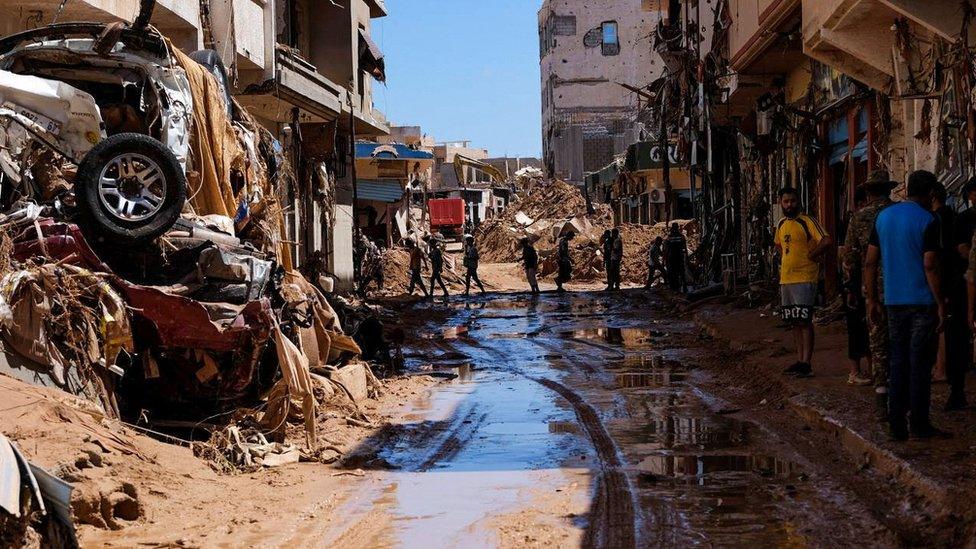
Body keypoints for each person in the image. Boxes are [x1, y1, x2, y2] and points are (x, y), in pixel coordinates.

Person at [865, 170, 947, 441]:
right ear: (930, 193)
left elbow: (870, 261)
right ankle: (920, 424)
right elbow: (930, 265)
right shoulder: (928, 220)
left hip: (893, 301)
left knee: (897, 361)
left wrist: (872, 299)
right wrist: (940, 303)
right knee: (919, 364)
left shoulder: (884, 217)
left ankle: (896, 423)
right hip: (922, 302)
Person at [842, 170, 896, 413]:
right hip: (901, 283)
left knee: (878, 340)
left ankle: (882, 393)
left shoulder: (860, 218)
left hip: (872, 286)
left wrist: (852, 288)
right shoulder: (897, 214)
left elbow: (851, 258)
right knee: (901, 337)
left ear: (869, 192)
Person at [774, 187, 832, 378]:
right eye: (786, 201)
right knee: (794, 322)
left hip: (805, 278)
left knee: (805, 321)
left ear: (798, 202)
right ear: (781, 203)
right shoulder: (781, 223)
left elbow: (826, 240)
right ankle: (799, 360)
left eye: (792, 201)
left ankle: (807, 363)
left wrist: (812, 255)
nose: (789, 204)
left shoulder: (807, 221)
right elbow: (779, 245)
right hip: (787, 280)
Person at [931, 181, 969, 410]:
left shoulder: (937, 220)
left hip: (947, 284)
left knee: (947, 330)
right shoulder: (955, 217)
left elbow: (938, 257)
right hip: (957, 282)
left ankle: (944, 372)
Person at [841, 187, 873, 387]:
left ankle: (868, 370)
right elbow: (849, 258)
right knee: (860, 329)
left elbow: (848, 257)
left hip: (861, 283)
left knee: (865, 329)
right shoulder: (859, 221)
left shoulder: (860, 220)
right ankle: (857, 371)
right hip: (861, 282)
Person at [664, 223, 688, 292]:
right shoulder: (681, 236)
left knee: (673, 273)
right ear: (677, 228)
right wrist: (686, 256)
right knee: (681, 271)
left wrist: (665, 258)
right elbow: (684, 247)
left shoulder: (669, 236)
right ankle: (684, 287)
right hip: (679, 256)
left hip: (672, 257)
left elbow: (667, 248)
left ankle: (675, 288)